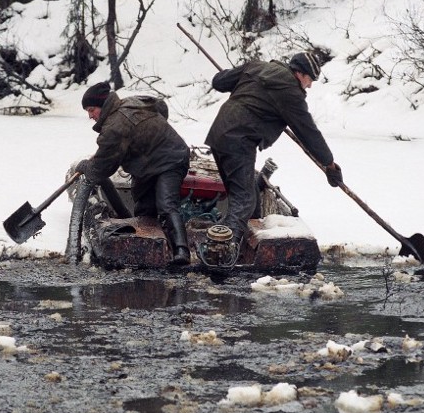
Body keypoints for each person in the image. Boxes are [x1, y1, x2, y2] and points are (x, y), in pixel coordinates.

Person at [204, 51, 344, 247]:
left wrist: (242, 78)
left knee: (247, 193)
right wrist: (329, 164)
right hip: (240, 142)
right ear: (300, 73)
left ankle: (241, 242)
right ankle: (223, 250)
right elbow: (308, 131)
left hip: (219, 134)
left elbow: (219, 82)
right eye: (310, 79)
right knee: (244, 201)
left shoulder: (257, 66)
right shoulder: (290, 93)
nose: (310, 85)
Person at [75, 81, 192, 266]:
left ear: (103, 106)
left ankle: (181, 251)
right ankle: (149, 249)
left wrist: (86, 167)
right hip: (148, 166)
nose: (90, 116)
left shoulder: (114, 128)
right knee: (144, 207)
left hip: (171, 159)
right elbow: (160, 106)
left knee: (166, 203)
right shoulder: (133, 101)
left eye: (91, 110)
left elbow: (103, 168)